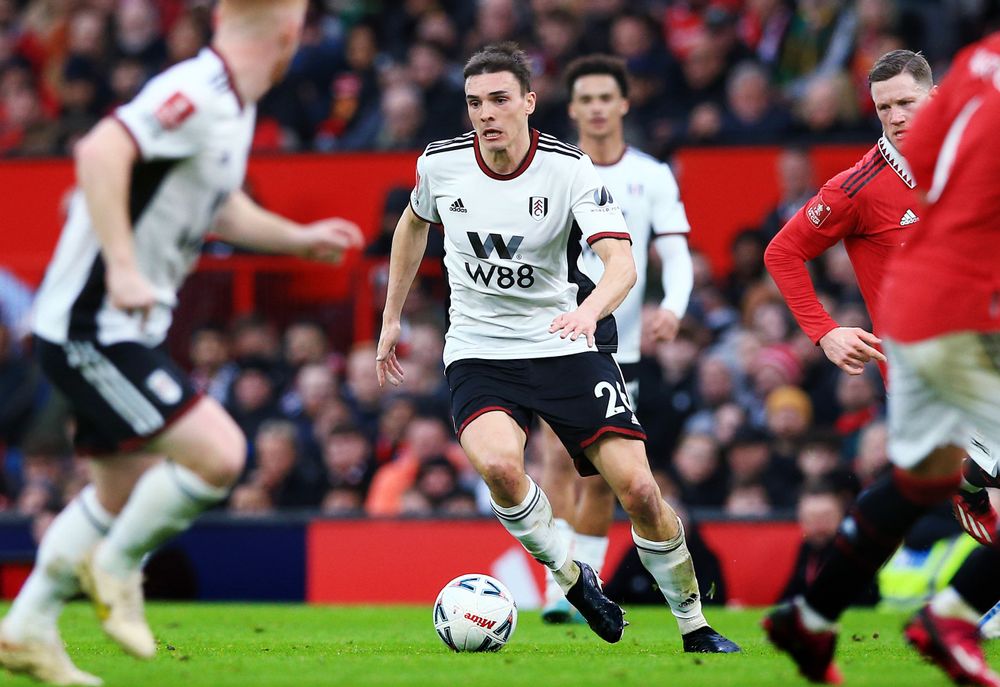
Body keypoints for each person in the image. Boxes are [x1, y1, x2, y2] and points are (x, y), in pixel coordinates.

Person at [0, 2, 363, 684]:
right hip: (90, 326)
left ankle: (25, 628)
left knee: (117, 491)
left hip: (123, 328)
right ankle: (114, 565)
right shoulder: (197, 90)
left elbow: (218, 202)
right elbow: (100, 149)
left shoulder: (231, 106)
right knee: (220, 453)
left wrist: (297, 237)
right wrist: (126, 264)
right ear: (288, 37)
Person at [375, 42, 737, 654]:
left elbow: (621, 263)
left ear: (528, 103)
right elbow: (413, 224)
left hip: (566, 346)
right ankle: (573, 579)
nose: (485, 114)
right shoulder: (440, 165)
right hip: (480, 351)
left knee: (641, 493)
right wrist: (390, 320)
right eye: (473, 103)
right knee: (499, 468)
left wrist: (589, 313)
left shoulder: (569, 168)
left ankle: (693, 624)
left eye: (498, 100)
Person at [765, 39, 1000, 686]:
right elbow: (782, 253)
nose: (896, 116)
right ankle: (953, 614)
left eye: (906, 102)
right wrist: (823, 332)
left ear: (935, 96)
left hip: (976, 346)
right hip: (933, 360)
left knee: (918, 487)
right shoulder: (860, 185)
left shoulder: (965, 150)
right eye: (884, 107)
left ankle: (811, 616)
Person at [536, 54, 696, 626]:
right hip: (553, 337)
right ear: (573, 109)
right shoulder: (553, 171)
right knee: (554, 456)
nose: (598, 108)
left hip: (620, 347)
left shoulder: (652, 176)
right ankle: (564, 586)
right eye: (587, 99)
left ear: (623, 104)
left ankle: (583, 582)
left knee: (604, 472)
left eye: (608, 97)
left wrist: (672, 309)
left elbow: (675, 254)